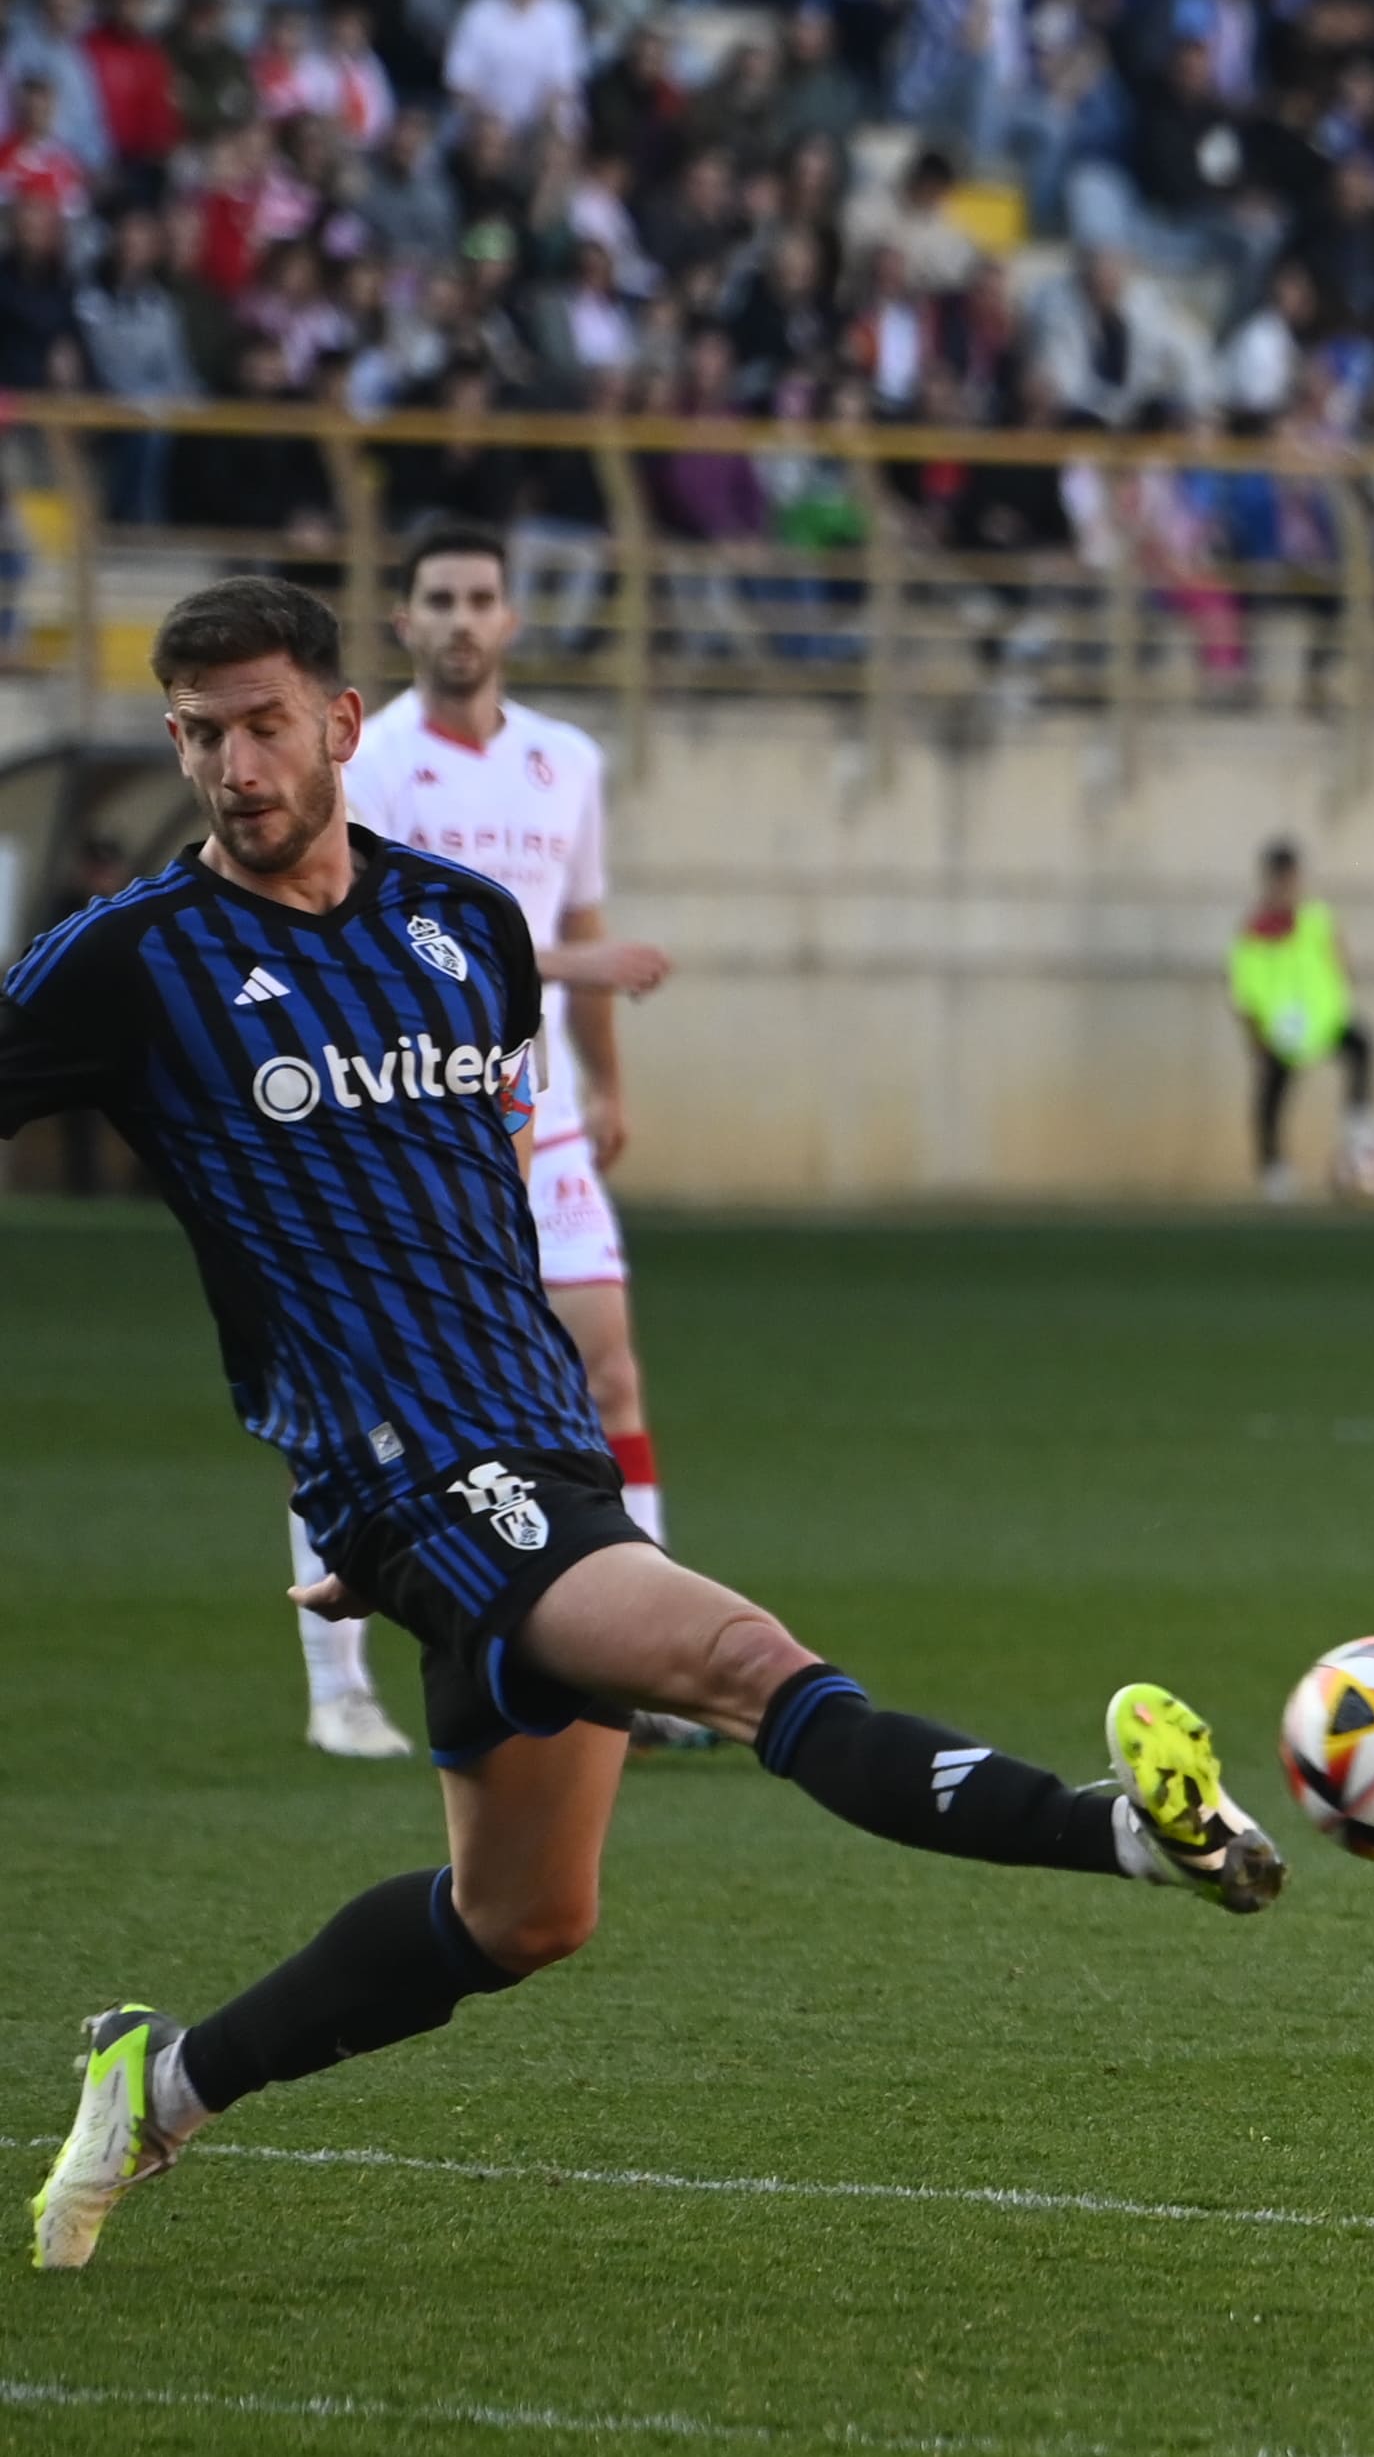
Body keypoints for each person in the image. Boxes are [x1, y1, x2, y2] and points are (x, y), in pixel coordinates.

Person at [14, 577, 1284, 2274]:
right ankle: (1125, 1829)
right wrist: (369, 1502)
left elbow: (446, 1208)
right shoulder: (137, 959)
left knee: (524, 1915)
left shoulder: (465, 930)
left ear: (341, 723)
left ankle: (157, 2081)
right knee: (752, 1663)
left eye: (261, 722)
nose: (232, 763)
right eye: (198, 732)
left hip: (535, 1458)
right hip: (418, 1480)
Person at [331, 514, 677, 1761]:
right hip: (417, 1115)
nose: (464, 619)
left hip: (549, 1117)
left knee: (608, 1369)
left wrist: (608, 1080)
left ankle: (648, 1659)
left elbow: (580, 918)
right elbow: (378, 939)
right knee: (363, 1390)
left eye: (482, 597)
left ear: (511, 619)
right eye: (441, 598)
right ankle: (336, 1685)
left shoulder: (563, 760)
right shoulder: (365, 768)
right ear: (406, 621)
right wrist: (584, 960)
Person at [1231, 838, 1374, 1201]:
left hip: (1323, 1020)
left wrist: (1344, 982)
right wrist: (1256, 1033)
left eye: (1291, 878)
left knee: (1362, 1047)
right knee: (1270, 1096)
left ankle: (1358, 1122)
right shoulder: (1253, 932)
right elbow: (1244, 988)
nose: (1287, 887)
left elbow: (1338, 953)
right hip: (1281, 1033)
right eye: (1280, 879)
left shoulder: (1316, 917)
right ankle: (1273, 1168)